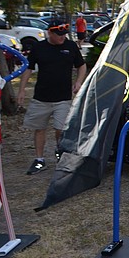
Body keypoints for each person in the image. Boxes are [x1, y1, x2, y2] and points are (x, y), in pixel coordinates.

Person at [17, 18, 87, 175]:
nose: (62, 37)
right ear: (50, 33)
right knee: (39, 129)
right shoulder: (39, 48)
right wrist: (21, 90)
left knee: (60, 129)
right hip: (41, 97)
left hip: (63, 97)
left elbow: (81, 65)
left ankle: (60, 152)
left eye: (64, 34)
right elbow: (29, 69)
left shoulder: (70, 47)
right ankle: (39, 160)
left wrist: (78, 82)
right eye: (59, 34)